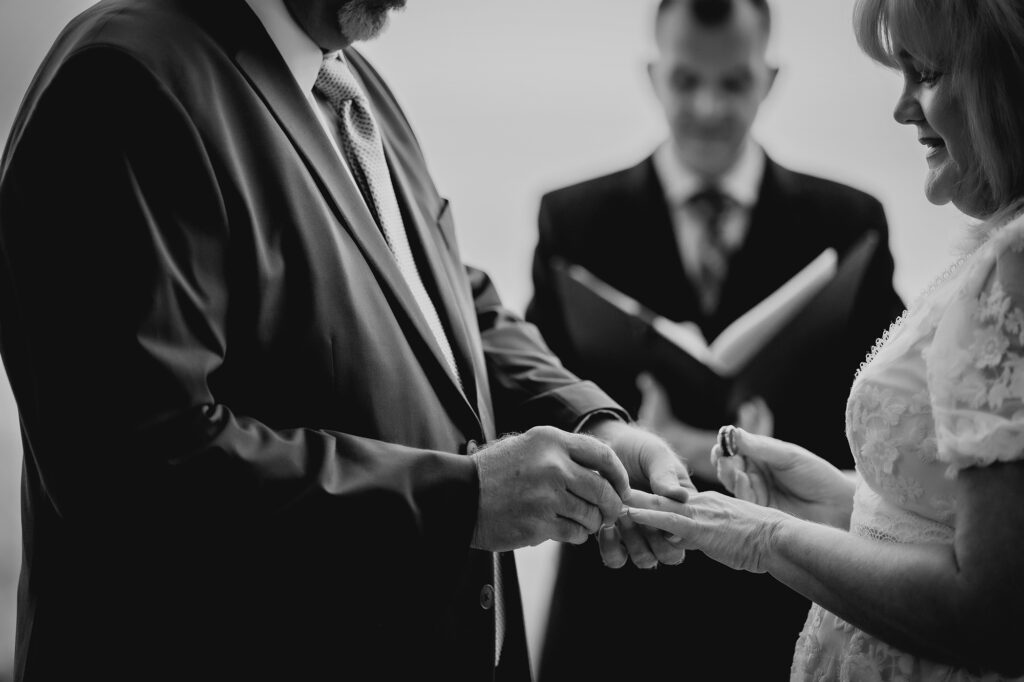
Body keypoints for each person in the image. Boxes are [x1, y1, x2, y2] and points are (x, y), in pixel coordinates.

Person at [0, 0, 695, 680]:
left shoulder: (347, 81)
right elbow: (140, 477)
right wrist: (463, 500)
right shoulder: (122, 82)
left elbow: (449, 301)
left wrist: (593, 424)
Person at [628, 0, 1024, 678]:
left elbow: (997, 610)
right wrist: (846, 505)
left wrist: (764, 537)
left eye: (925, 72)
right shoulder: (569, 217)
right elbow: (957, 519)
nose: (902, 108)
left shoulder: (996, 261)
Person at [526, 0, 904, 678]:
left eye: (732, 83)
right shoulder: (572, 222)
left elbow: (887, 429)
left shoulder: (848, 224)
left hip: (777, 610)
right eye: (685, 81)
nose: (706, 106)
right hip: (612, 618)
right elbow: (532, 394)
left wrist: (755, 440)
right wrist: (614, 434)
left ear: (769, 78)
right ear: (653, 74)